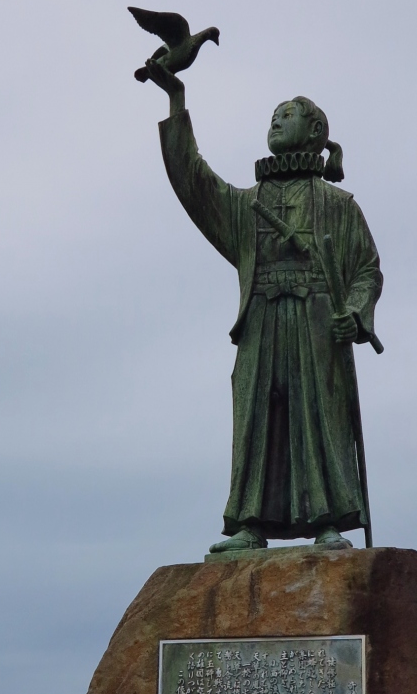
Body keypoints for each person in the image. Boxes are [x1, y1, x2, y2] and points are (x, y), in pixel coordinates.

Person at [143, 63, 383, 551]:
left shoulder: (338, 204)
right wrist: (176, 103)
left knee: (317, 418)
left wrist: (355, 315)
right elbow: (195, 183)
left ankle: (327, 521)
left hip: (317, 323)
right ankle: (251, 522)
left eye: (288, 114)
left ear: (314, 132)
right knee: (259, 419)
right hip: (262, 322)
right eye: (273, 114)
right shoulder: (247, 204)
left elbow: (367, 271)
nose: (275, 120)